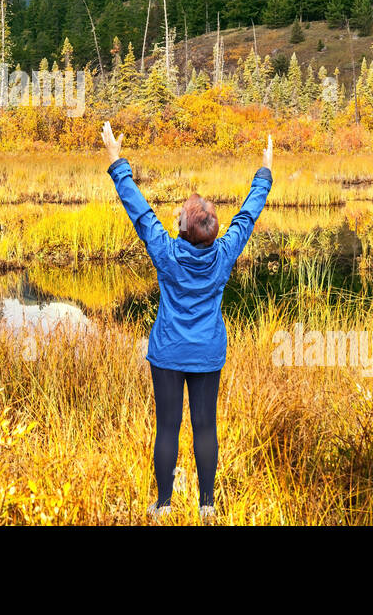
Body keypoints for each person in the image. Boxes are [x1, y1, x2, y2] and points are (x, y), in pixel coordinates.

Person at [101, 120, 273, 521]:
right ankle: (207, 505)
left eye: (182, 213)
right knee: (205, 428)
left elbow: (139, 210)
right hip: (207, 352)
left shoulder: (165, 251)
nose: (177, 213)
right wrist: (264, 171)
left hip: (167, 352)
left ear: (183, 227)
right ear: (212, 231)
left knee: (167, 429)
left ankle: (162, 505)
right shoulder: (225, 251)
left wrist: (116, 159)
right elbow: (248, 215)